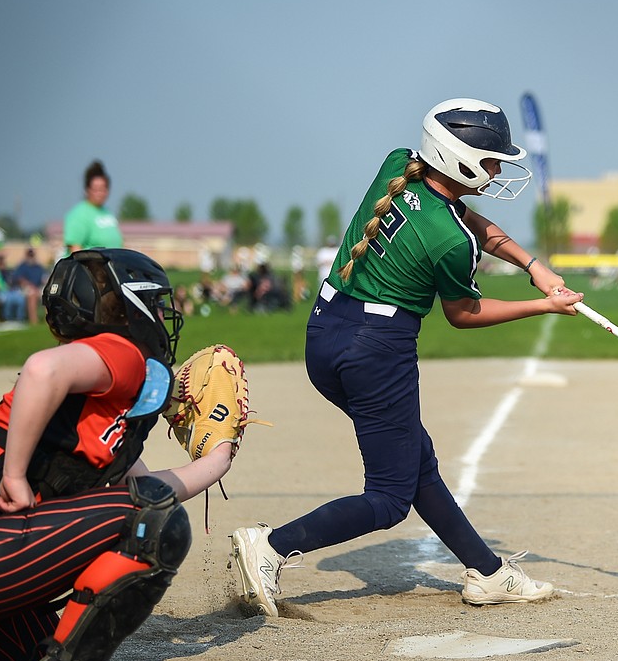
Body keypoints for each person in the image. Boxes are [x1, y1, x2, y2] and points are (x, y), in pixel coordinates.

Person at [228, 98, 583, 618]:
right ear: (458, 158)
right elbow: (465, 313)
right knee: (390, 498)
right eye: (489, 161)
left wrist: (533, 264)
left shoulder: (400, 165)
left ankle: (487, 572)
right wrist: (542, 304)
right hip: (377, 350)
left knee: (415, 458)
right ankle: (273, 545)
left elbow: (459, 218)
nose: (497, 170)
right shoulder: (451, 242)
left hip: (325, 334)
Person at [0, 248, 234, 661]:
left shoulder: (92, 417)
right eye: (158, 303)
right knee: (153, 521)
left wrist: (219, 458)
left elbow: (148, 493)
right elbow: (41, 368)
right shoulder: (121, 353)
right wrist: (14, 475)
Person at [63, 160, 124, 254]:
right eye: (96, 189)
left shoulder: (107, 212)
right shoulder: (79, 214)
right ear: (87, 190)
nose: (99, 193)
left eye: (103, 189)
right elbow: (75, 250)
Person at [9, 248, 48, 324]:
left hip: (37, 287)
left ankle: (48, 319)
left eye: (32, 255)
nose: (31, 257)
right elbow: (19, 278)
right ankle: (33, 319)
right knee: (32, 295)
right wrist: (30, 285)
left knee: (47, 295)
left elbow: (43, 278)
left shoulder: (38, 267)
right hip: (25, 288)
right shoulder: (22, 266)